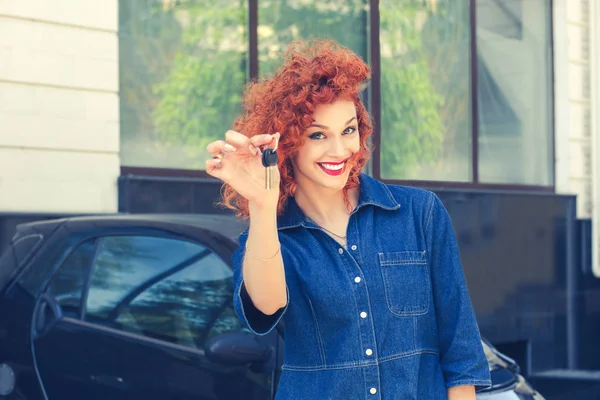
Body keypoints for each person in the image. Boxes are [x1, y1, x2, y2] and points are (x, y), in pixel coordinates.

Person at [205, 39, 491, 399]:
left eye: (348, 130)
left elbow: (460, 349)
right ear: (289, 143)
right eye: (318, 135)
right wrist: (263, 203)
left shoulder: (420, 214)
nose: (339, 150)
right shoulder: (270, 240)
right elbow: (265, 307)